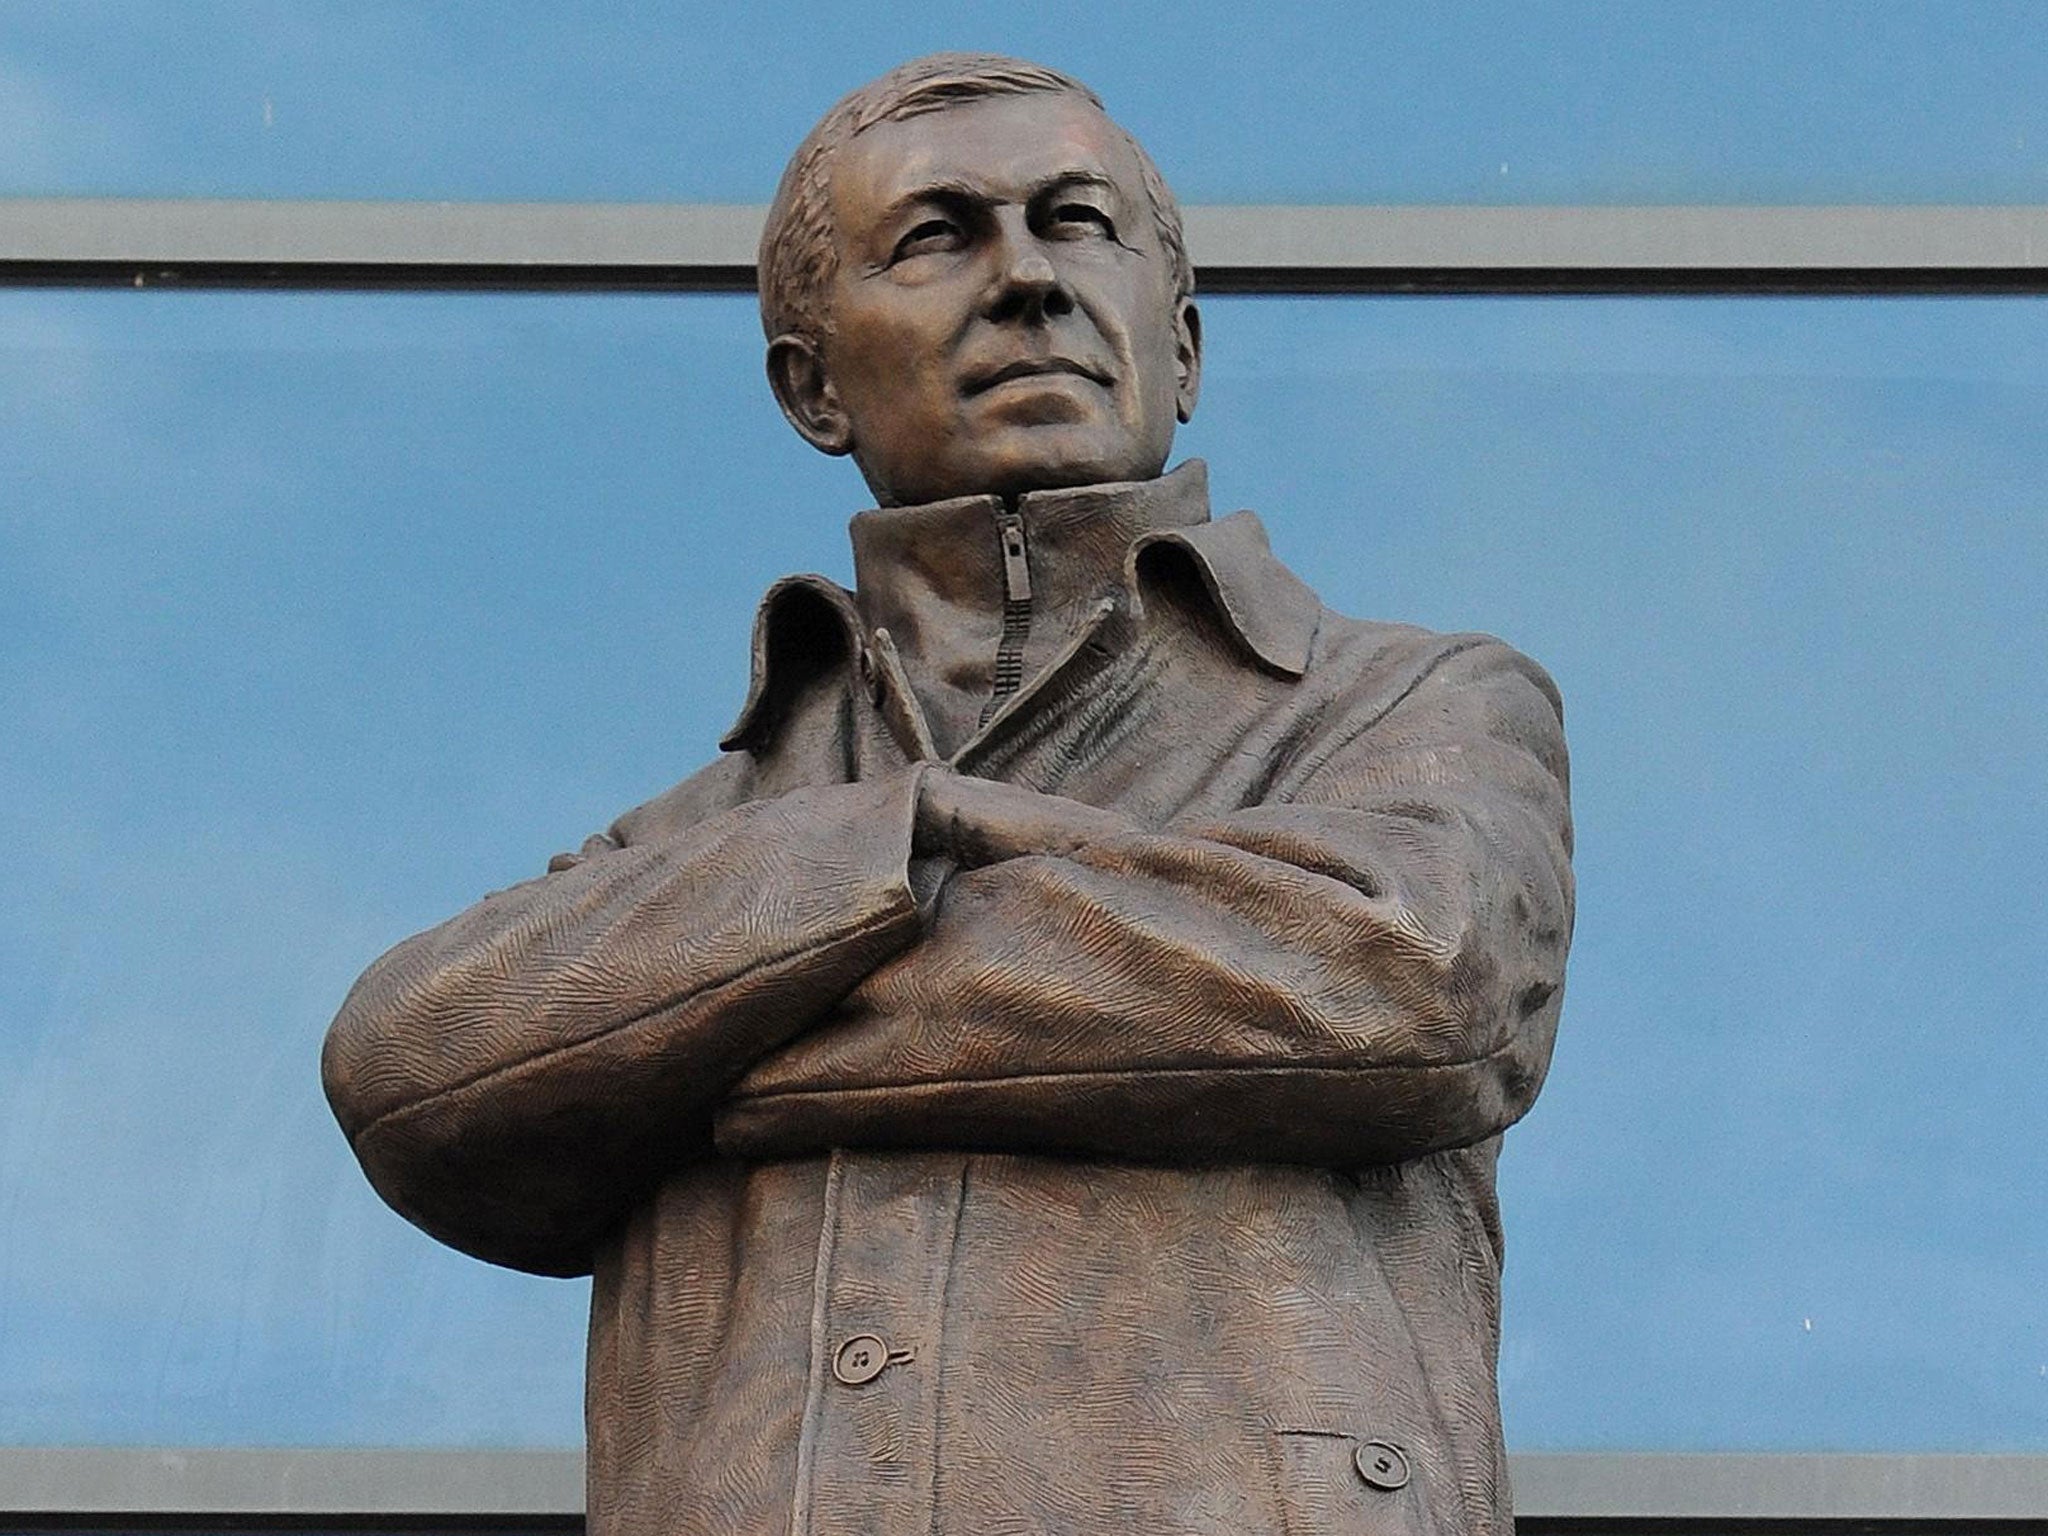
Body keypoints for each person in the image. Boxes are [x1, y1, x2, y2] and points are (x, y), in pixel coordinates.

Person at [323, 53, 1573, 1536]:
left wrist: (691, 1051)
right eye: (940, 236)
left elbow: (1409, 980)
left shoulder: (1406, 703)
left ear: (1180, 350)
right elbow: (412, 1067)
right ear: (812, 385)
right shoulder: (707, 823)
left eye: (1077, 223)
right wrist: (898, 836)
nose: (1030, 282)